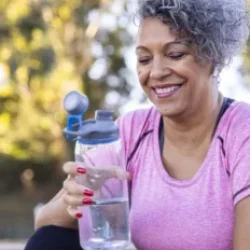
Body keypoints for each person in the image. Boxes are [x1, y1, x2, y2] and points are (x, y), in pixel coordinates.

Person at [25, 0, 250, 249]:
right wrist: (75, 200)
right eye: (144, 59)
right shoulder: (130, 131)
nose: (155, 72)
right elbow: (45, 226)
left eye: (175, 54)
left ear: (213, 57)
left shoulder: (242, 133)